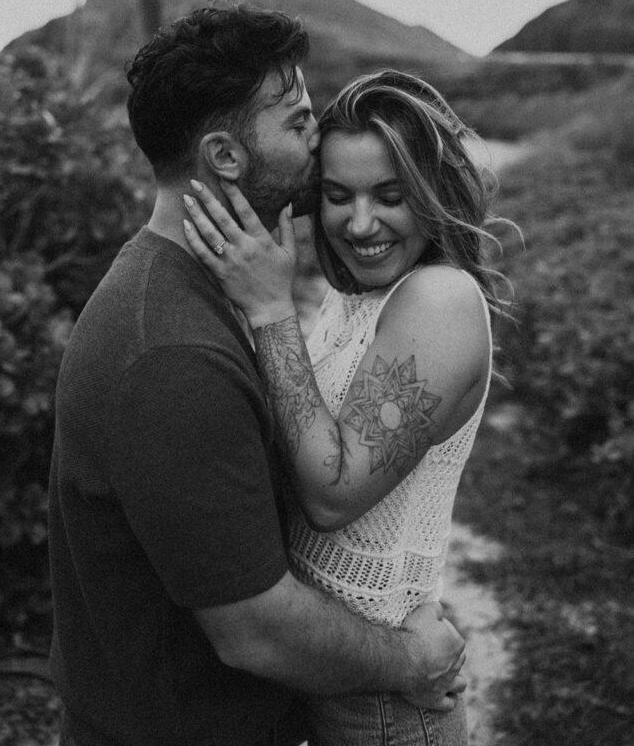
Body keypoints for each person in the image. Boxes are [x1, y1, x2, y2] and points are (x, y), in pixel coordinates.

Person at [48, 6, 466, 746]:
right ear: (225, 156)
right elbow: (254, 631)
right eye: (297, 122)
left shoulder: (194, 290)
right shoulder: (170, 351)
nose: (318, 140)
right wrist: (407, 658)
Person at [182, 68, 513, 746]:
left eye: (389, 196)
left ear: (430, 192)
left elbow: (332, 496)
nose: (360, 224)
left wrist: (271, 307)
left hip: (388, 703)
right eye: (337, 196)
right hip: (332, 669)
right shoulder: (357, 295)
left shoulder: (440, 300)